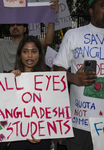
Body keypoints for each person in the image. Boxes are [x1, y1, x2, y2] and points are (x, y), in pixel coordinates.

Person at [53, 0, 104, 150]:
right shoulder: (73, 35)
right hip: (80, 120)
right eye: (103, 5)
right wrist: (73, 78)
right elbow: (57, 68)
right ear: (91, 10)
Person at [0, 0, 59, 73]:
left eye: (18, 24)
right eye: (12, 25)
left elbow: (48, 41)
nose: (15, 27)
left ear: (25, 28)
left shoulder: (30, 45)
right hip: (4, 87)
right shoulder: (0, 44)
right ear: (9, 29)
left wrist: (51, 15)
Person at [10, 35, 50, 150]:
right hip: (17, 138)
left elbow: (53, 111)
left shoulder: (49, 81)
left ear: (40, 54)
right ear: (19, 54)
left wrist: (43, 133)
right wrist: (11, 82)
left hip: (42, 138)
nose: (30, 55)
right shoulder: (9, 78)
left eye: (34, 51)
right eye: (25, 51)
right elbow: (3, 111)